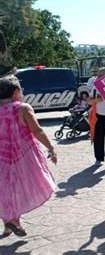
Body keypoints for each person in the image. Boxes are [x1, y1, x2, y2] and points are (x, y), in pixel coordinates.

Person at [0, 76, 57, 238]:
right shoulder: (23, 109)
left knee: (4, 190)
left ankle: (9, 225)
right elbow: (37, 130)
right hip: (22, 158)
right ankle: (13, 222)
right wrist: (51, 148)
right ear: (16, 92)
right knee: (20, 188)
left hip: (2, 159)